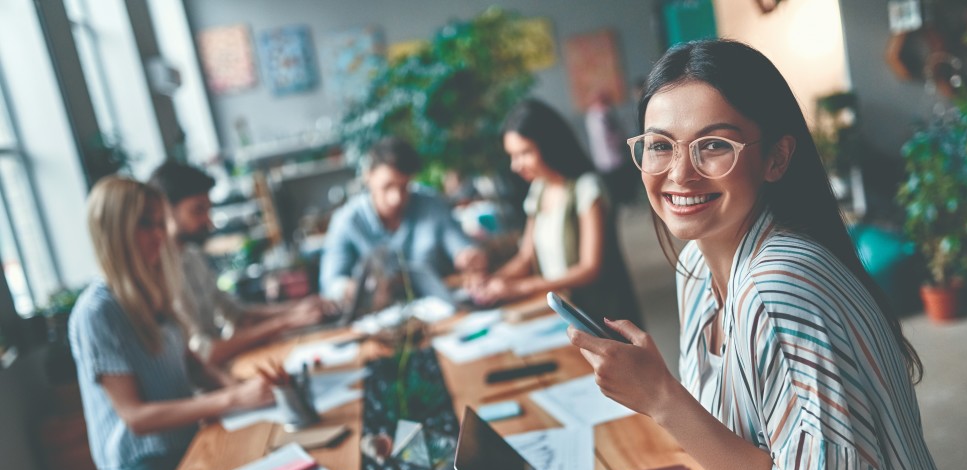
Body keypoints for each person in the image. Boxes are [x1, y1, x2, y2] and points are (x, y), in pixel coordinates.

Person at [568, 40, 967, 470]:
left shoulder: (779, 282)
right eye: (660, 144)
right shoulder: (695, 264)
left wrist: (662, 399)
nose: (679, 173)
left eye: (713, 145)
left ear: (777, 158)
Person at [69, 176, 283, 470]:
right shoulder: (97, 311)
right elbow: (136, 416)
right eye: (144, 224)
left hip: (187, 456)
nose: (159, 234)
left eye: (158, 222)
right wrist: (232, 398)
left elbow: (194, 366)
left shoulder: (154, 290)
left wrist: (244, 391)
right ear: (115, 231)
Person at [470, 99, 641, 325]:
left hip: (600, 316)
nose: (515, 165)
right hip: (562, 313)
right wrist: (492, 281)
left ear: (549, 145)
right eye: (512, 155)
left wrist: (522, 287)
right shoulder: (538, 189)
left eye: (524, 153)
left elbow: (591, 267)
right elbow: (525, 257)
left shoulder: (587, 188)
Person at [148, 161, 333, 366]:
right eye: (197, 210)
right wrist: (285, 321)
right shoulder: (160, 273)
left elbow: (235, 312)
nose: (208, 222)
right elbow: (204, 352)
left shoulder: (192, 255)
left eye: (208, 210)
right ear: (165, 210)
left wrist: (298, 308)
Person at [318, 137, 486, 302]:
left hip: (438, 310)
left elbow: (461, 246)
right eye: (387, 186)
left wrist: (469, 257)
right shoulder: (346, 221)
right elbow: (330, 283)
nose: (396, 198)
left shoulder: (431, 205)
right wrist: (350, 289)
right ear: (368, 176)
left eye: (403, 187)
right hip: (376, 318)